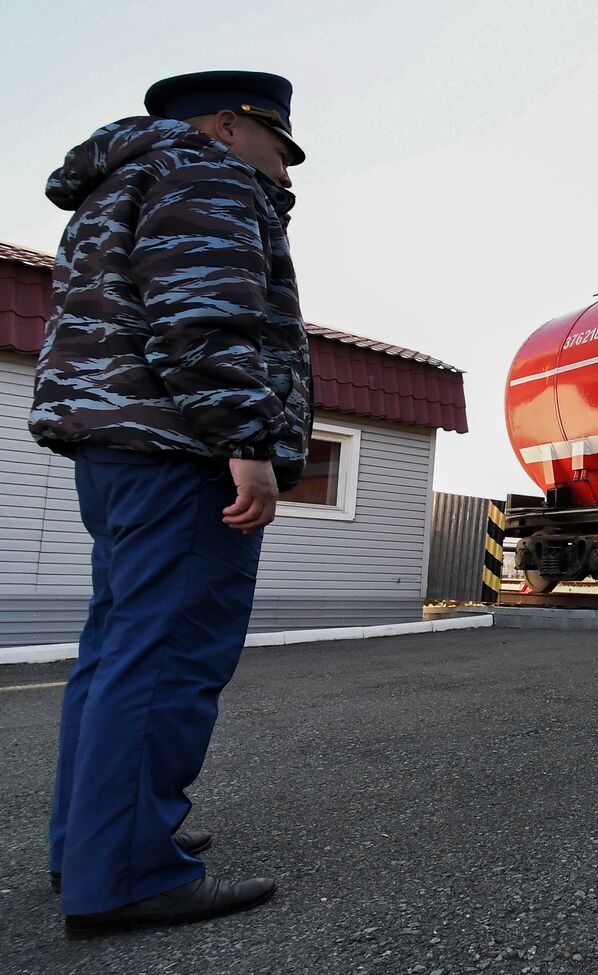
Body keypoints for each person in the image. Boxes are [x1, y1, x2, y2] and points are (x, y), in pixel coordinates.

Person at [30, 71, 312, 937]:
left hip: (119, 449)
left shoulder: (124, 177)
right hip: (181, 449)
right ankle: (125, 874)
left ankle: (90, 845)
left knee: (116, 651)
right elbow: (201, 319)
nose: (291, 169)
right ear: (228, 124)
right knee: (165, 658)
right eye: (281, 144)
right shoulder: (208, 173)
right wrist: (248, 443)